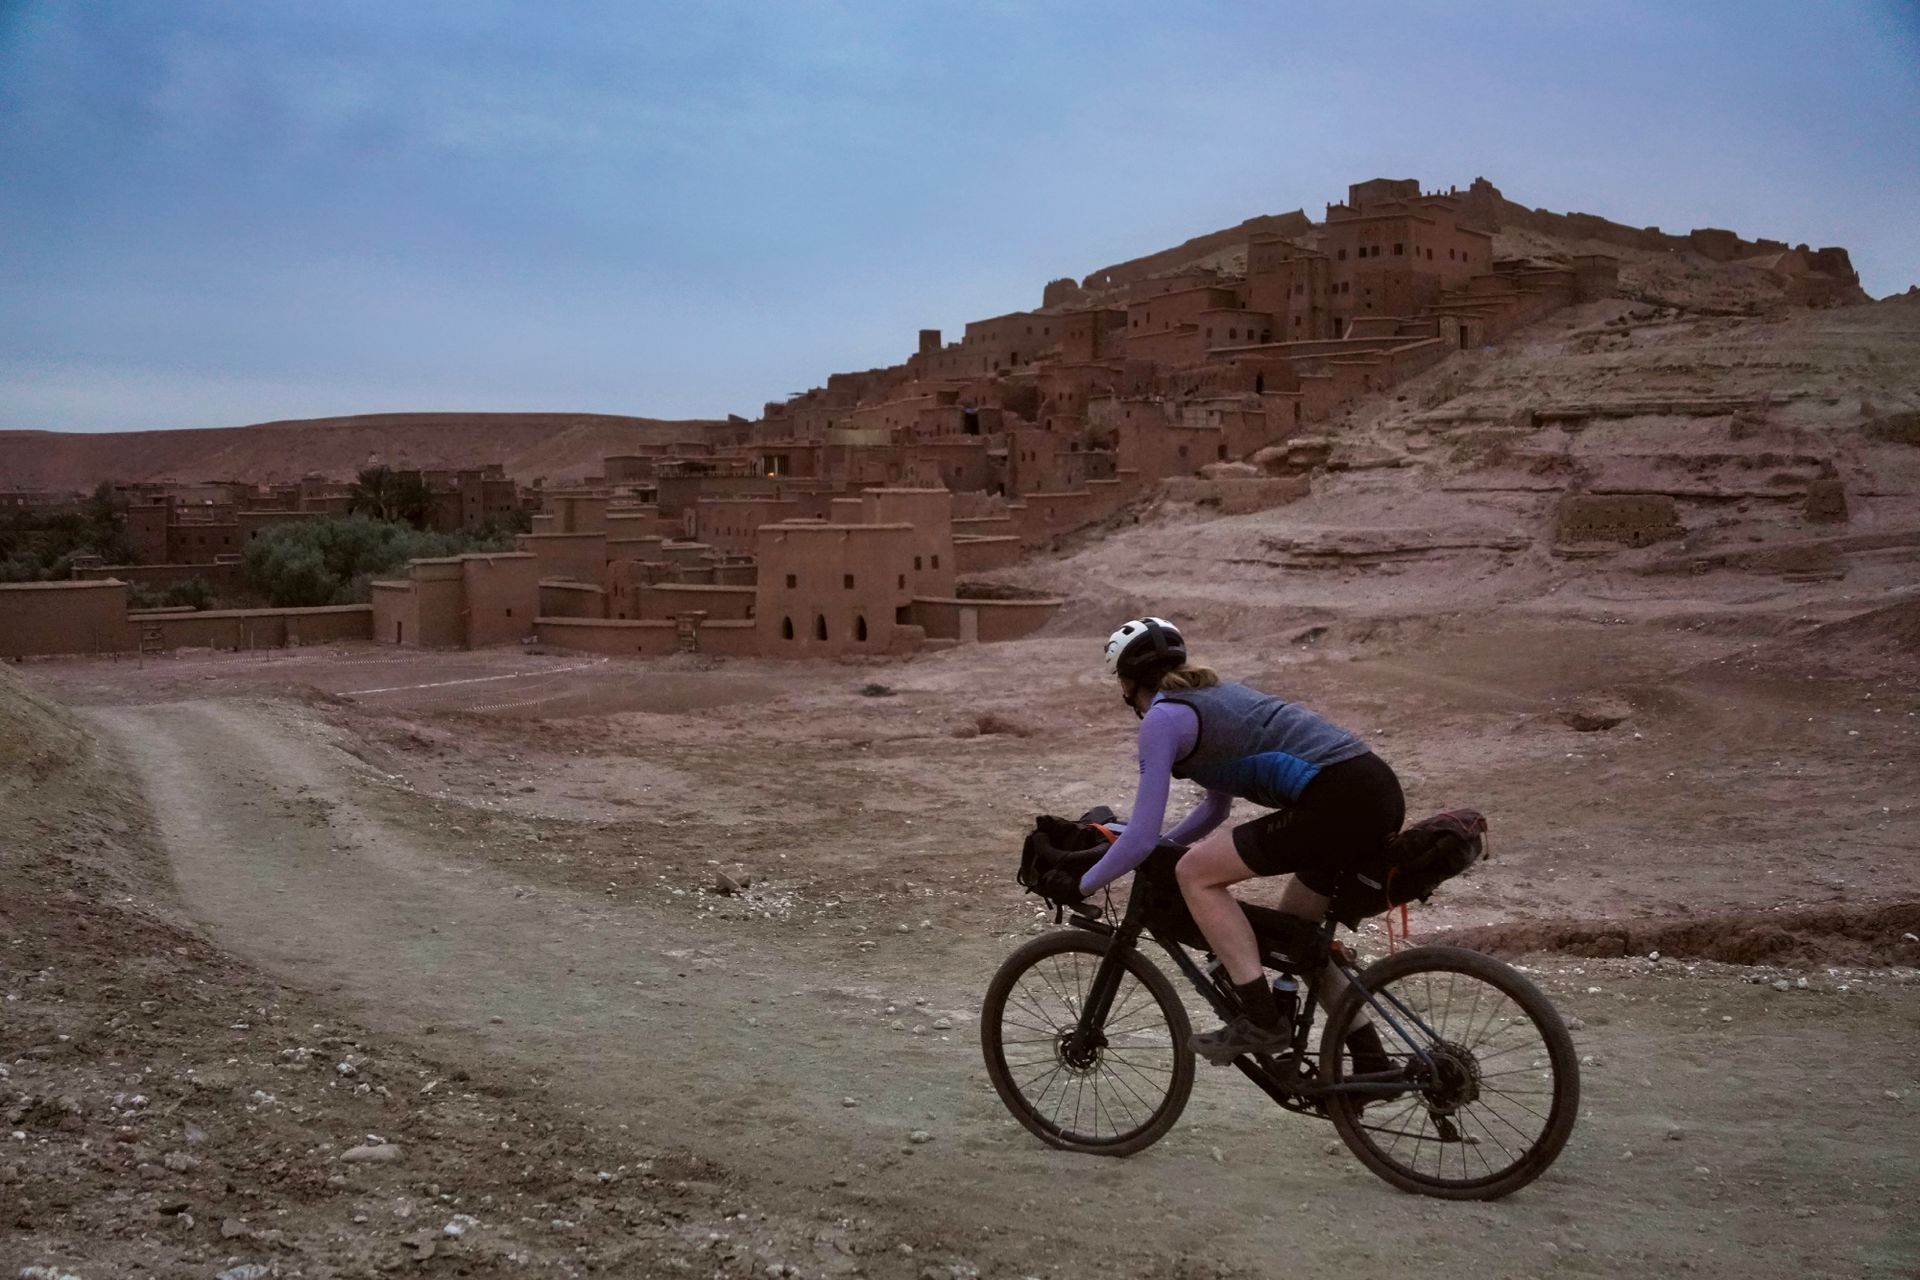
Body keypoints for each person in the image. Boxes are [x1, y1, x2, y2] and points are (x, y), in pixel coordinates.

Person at [1072, 617, 1405, 1066]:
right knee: (1297, 936)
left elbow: (1141, 836)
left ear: (1127, 683)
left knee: (1194, 874)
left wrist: (1083, 884)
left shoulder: (1163, 718)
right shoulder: (1205, 698)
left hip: (1339, 800)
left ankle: (1262, 1019)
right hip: (1371, 790)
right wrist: (1160, 849)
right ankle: (1372, 1061)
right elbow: (1215, 809)